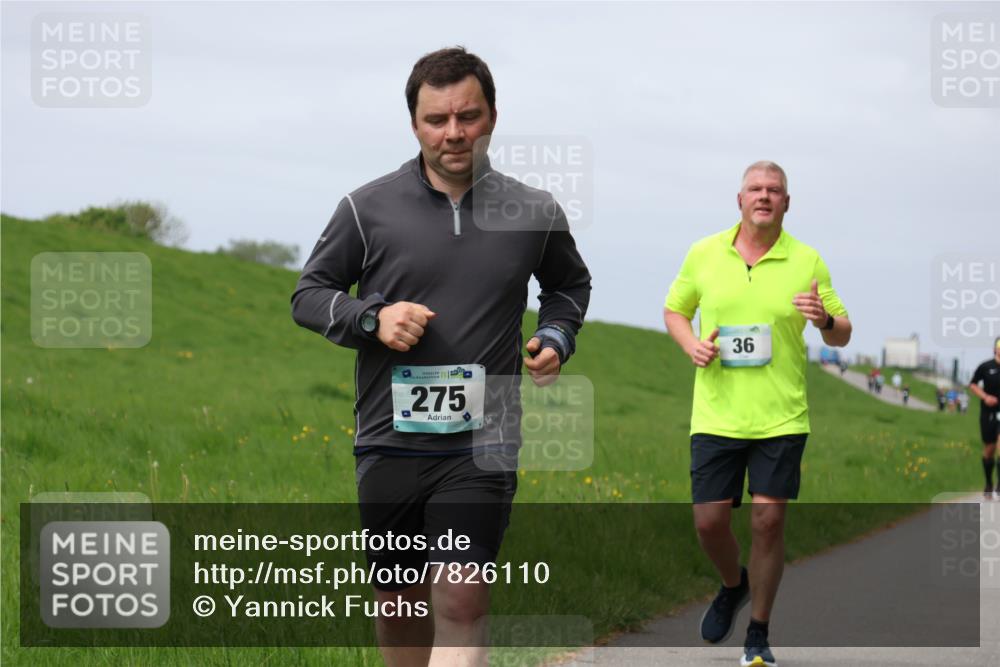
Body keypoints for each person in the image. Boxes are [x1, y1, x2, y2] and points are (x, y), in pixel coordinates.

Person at [291, 47, 591, 667]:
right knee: (400, 606)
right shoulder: (365, 208)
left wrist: (556, 338)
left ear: (492, 116)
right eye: (436, 120)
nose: (453, 132)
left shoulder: (534, 210)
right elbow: (308, 295)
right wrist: (372, 318)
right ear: (414, 125)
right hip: (388, 440)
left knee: (461, 600)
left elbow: (567, 287)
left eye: (468, 116)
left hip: (484, 441)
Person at [663, 161, 851, 667]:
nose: (764, 197)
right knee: (708, 523)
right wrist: (691, 347)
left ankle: (758, 634)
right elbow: (675, 310)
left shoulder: (807, 260)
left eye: (775, 190)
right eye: (755, 189)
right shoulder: (704, 253)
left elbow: (842, 331)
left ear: (787, 203)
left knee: (769, 522)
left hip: (781, 417)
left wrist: (826, 318)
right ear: (739, 199)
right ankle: (732, 584)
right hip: (716, 414)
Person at [969, 338, 1000, 500]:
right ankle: (988, 482)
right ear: (995, 349)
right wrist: (985, 396)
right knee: (990, 449)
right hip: (988, 413)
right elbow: (973, 384)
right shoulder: (986, 366)